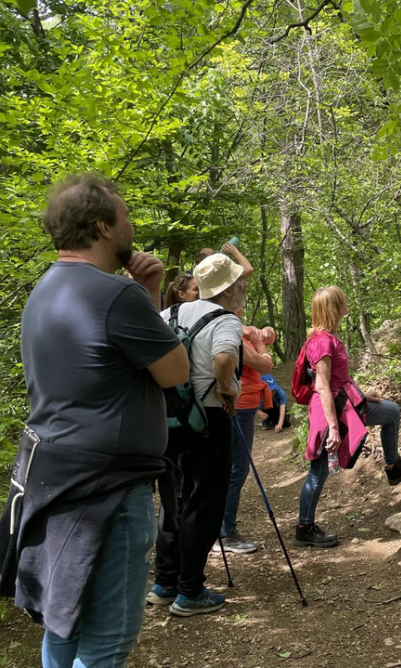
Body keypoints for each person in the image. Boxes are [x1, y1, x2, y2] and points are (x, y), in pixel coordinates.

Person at [0, 174, 189, 667]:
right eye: (125, 218)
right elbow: (174, 372)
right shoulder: (115, 296)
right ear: (104, 227)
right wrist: (146, 294)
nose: (132, 226)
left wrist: (143, 291)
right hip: (108, 491)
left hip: (52, 480)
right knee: (106, 641)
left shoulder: (43, 292)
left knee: (64, 624)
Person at [147, 253, 245, 616]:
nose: (243, 287)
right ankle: (190, 591)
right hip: (209, 420)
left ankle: (164, 583)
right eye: (239, 283)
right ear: (228, 289)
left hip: (166, 422)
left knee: (172, 502)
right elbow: (223, 360)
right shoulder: (226, 320)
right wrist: (227, 387)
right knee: (203, 502)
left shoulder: (167, 315)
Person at [296, 287, 401, 548]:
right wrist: (333, 428)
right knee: (318, 471)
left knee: (390, 412)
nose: (347, 303)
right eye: (342, 300)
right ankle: (304, 528)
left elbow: (337, 381)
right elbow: (323, 386)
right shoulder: (321, 342)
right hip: (330, 411)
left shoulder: (326, 338)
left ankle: (393, 465)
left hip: (344, 405)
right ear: (333, 307)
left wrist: (363, 396)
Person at [213, 319, 273, 555]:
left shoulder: (235, 328)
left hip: (239, 404)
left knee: (231, 467)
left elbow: (269, 334)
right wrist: (259, 342)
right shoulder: (232, 334)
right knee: (237, 468)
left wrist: (264, 333)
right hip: (238, 404)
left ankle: (221, 529)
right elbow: (264, 364)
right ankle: (225, 533)